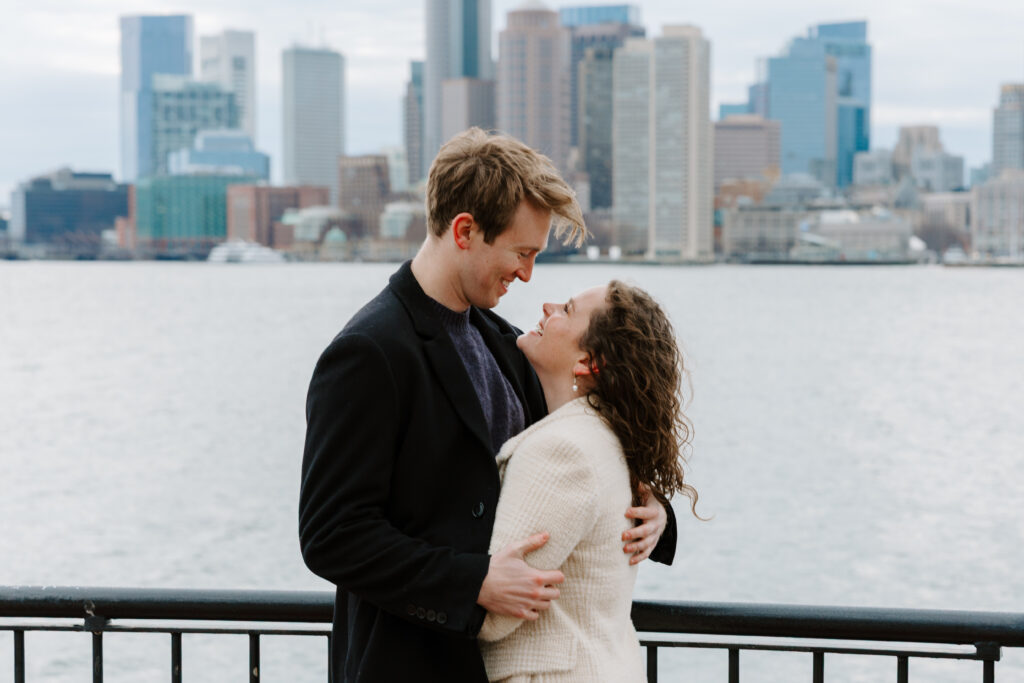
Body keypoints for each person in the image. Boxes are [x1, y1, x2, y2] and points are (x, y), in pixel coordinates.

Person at [299, 128, 677, 682]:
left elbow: (577, 452)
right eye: (521, 252)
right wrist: (470, 582)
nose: (527, 274)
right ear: (465, 230)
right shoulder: (369, 352)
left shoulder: (508, 343)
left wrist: (656, 515)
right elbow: (331, 534)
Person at [479, 281, 699, 682]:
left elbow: (494, 615)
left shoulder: (560, 449)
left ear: (588, 362)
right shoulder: (608, 438)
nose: (546, 306)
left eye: (566, 308)